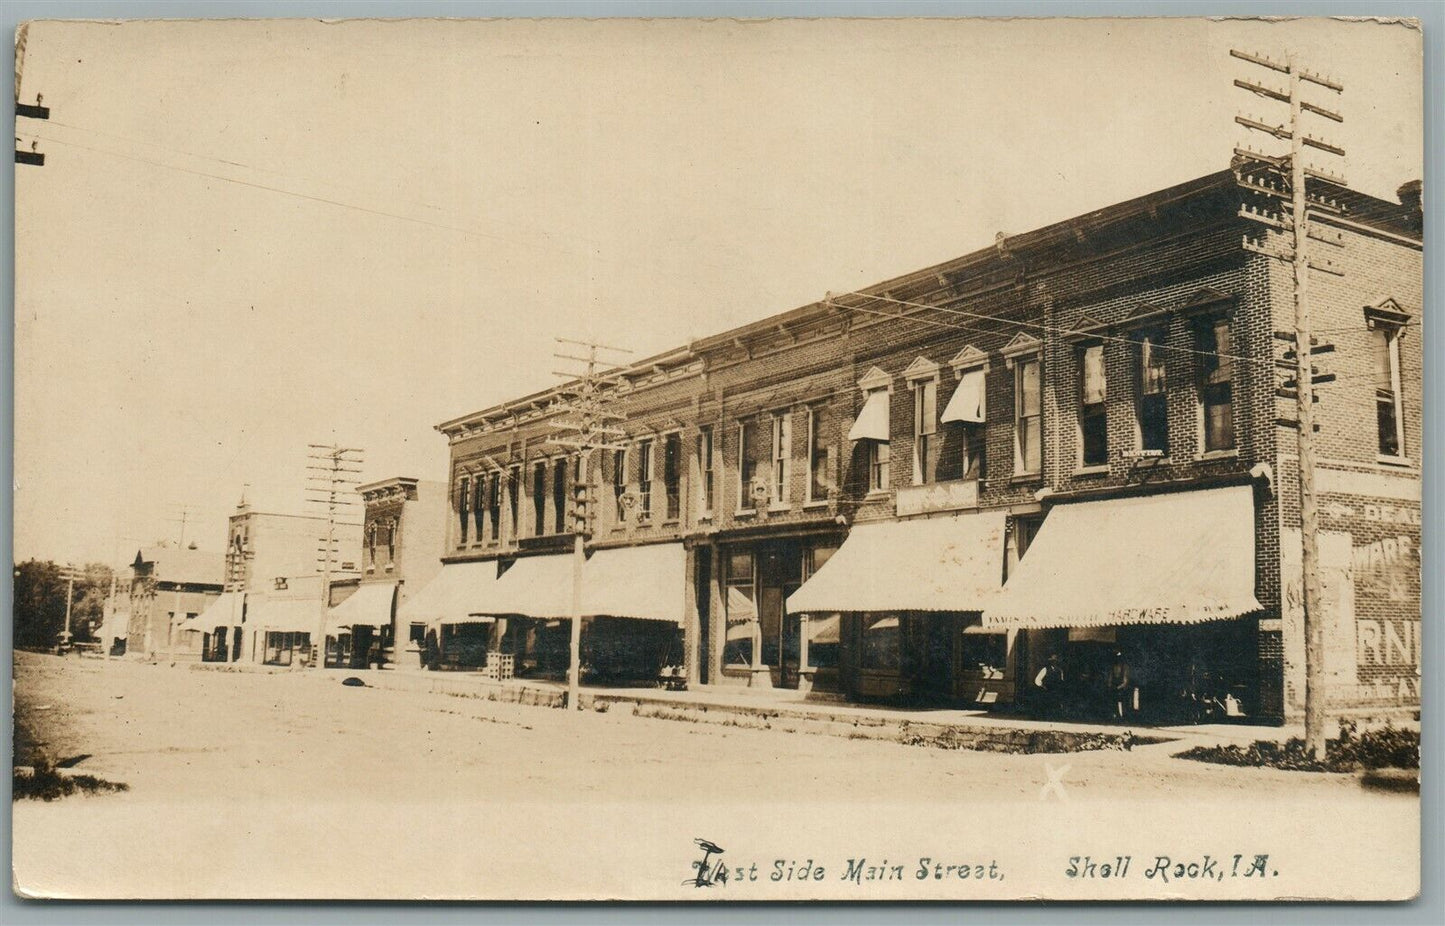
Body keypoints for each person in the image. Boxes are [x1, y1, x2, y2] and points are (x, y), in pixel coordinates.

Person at [1108, 651, 1134, 719]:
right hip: (1115, 687)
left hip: (1122, 688)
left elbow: (1125, 681)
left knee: (1123, 697)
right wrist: (1110, 686)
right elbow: (1110, 679)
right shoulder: (1113, 667)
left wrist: (1118, 688)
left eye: (1119, 658)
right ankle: (1115, 714)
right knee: (1111, 696)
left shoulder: (1125, 667)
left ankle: (1124, 715)